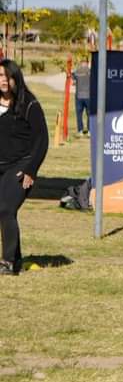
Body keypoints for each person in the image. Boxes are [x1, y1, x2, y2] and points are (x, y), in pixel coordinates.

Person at [0, 59, 48, 276]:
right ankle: (16, 259)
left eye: (7, 76)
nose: (3, 80)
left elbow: (42, 139)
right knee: (5, 212)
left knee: (6, 209)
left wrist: (31, 169)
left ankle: (8, 262)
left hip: (20, 165)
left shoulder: (29, 104)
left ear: (15, 78)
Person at [72, 60, 91, 136]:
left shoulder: (77, 71)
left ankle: (80, 130)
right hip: (88, 96)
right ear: (87, 63)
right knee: (89, 114)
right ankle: (89, 130)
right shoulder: (90, 72)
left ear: (81, 64)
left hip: (79, 96)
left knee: (79, 114)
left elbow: (73, 81)